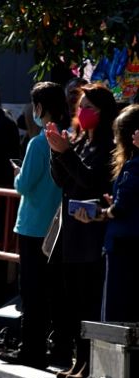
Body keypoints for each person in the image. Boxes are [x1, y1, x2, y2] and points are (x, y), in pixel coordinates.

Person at [46, 83, 117, 378]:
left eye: (89, 107)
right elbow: (63, 180)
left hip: (92, 232)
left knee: (88, 301)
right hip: (71, 230)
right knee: (72, 300)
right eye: (80, 106)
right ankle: (79, 358)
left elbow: (90, 180)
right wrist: (57, 152)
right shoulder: (79, 141)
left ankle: (89, 363)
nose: (82, 112)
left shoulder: (107, 146)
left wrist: (67, 155)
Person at [0, 82, 67, 369]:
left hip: (33, 223)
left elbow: (25, 184)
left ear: (38, 108)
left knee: (32, 291)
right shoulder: (66, 137)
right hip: (57, 223)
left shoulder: (39, 142)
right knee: (52, 290)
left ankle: (32, 348)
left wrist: (16, 174)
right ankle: (51, 345)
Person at [73, 106, 139, 324]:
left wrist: (100, 213)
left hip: (123, 245)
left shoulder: (133, 166)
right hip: (127, 241)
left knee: (117, 314)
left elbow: (121, 208)